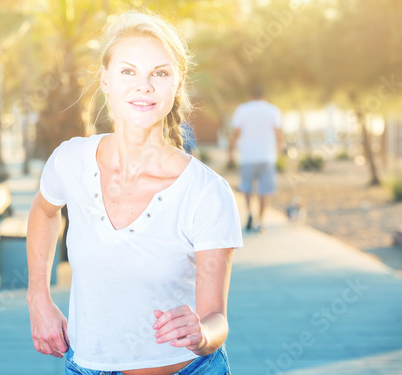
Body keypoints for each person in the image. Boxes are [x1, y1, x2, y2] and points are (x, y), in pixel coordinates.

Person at [26, 10, 243, 375]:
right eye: (128, 71)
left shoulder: (207, 193)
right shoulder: (70, 160)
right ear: (106, 80)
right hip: (84, 367)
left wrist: (201, 333)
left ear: (177, 83)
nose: (143, 86)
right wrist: (38, 296)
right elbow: (45, 211)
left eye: (159, 73)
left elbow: (216, 319)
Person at [228, 86, 283, 233]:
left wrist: (231, 152)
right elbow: (278, 132)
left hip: (247, 156)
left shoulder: (242, 110)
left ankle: (250, 213)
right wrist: (281, 149)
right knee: (265, 190)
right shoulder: (273, 110)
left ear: (250, 96)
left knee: (246, 187)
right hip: (267, 156)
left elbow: (236, 132)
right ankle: (260, 221)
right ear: (264, 96)